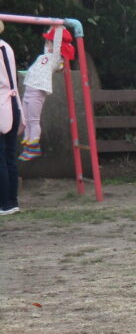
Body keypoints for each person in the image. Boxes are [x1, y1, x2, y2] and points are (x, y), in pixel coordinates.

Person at [18, 25, 74, 161]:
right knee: (25, 120)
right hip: (29, 89)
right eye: (47, 43)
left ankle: (34, 148)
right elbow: (48, 43)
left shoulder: (55, 59)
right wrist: (50, 30)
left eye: (50, 43)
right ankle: (27, 147)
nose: (47, 44)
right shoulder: (43, 56)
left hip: (37, 91)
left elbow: (56, 44)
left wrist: (59, 29)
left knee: (33, 120)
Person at [0, 20, 22, 215]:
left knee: (1, 157)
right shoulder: (7, 46)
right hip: (14, 103)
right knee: (9, 155)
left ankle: (5, 204)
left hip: (2, 104)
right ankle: (12, 201)